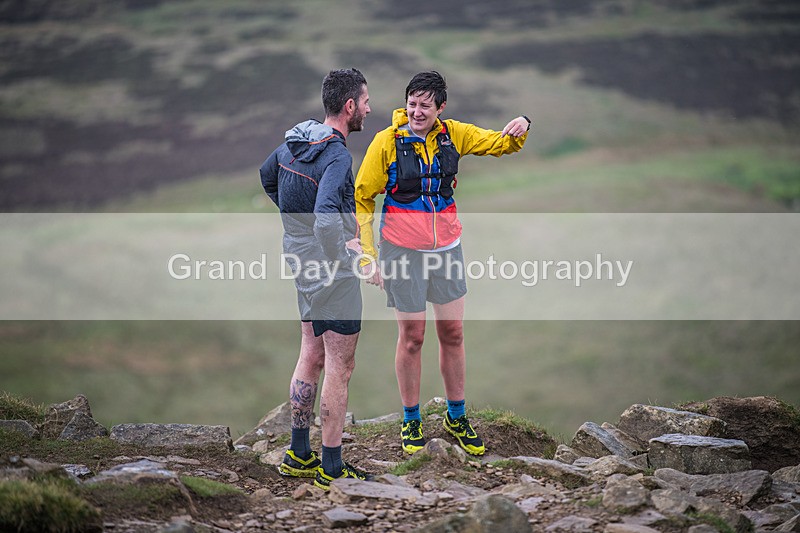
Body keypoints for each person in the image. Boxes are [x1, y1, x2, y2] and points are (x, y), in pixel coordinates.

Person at [355, 71, 530, 456]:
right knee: (413, 337)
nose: (416, 112)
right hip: (401, 250)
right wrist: (368, 256)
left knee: (453, 332)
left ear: (440, 108)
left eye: (425, 106)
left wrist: (521, 126)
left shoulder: (455, 134)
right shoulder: (386, 142)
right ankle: (412, 420)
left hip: (447, 247)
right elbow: (363, 198)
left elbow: (502, 145)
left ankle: (456, 415)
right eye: (411, 104)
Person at [259, 68, 373, 490]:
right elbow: (328, 219)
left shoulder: (296, 141)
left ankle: (298, 454)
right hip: (330, 271)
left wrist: (295, 223)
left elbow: (266, 175)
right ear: (349, 106)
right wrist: (344, 256)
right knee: (340, 366)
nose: (368, 108)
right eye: (364, 101)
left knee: (311, 352)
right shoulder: (338, 154)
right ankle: (331, 467)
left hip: (301, 262)